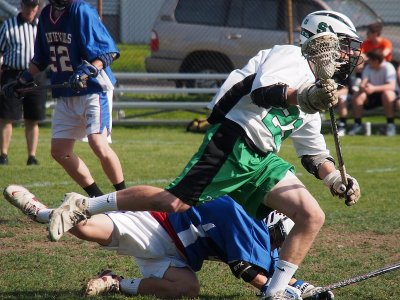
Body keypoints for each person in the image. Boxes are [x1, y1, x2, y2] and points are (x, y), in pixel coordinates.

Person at [48, 10, 361, 300]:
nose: (349, 55)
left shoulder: (320, 92)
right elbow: (263, 91)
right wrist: (304, 96)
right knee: (171, 203)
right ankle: (85, 205)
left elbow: (314, 154)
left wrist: (335, 178)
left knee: (311, 215)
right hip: (234, 139)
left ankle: (275, 292)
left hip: (263, 159)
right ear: (324, 38)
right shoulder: (292, 55)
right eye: (345, 45)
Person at [3, 184, 334, 300]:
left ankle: (117, 282)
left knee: (186, 290)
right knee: (85, 229)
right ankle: (41, 210)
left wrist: (307, 289)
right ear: (272, 223)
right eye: (279, 236)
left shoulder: (259, 234)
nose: (277, 244)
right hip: (155, 226)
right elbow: (248, 270)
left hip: (178, 255)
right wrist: (273, 291)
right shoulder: (238, 214)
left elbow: (277, 271)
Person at [3, 0, 125, 196]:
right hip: (66, 92)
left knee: (98, 144)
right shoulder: (45, 15)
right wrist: (23, 80)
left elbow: (109, 52)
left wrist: (87, 70)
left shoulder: (81, 11)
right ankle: (98, 198)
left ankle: (123, 197)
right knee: (60, 150)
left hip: (94, 89)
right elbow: (42, 57)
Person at [0, 0, 46, 165]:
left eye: (33, 6)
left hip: (35, 76)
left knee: (32, 118)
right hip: (12, 74)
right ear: (21, 5)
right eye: (27, 5)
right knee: (6, 117)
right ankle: (3, 154)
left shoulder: (41, 26)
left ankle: (31, 156)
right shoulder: (8, 26)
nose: (30, 9)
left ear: (37, 8)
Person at [346, 50, 398, 136]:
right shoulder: (368, 67)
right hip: (371, 95)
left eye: (369, 60)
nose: (367, 62)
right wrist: (363, 87)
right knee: (357, 95)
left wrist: (374, 88)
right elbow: (363, 82)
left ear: (376, 61)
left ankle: (390, 124)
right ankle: (358, 124)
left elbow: (391, 86)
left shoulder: (388, 67)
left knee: (388, 94)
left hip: (385, 96)